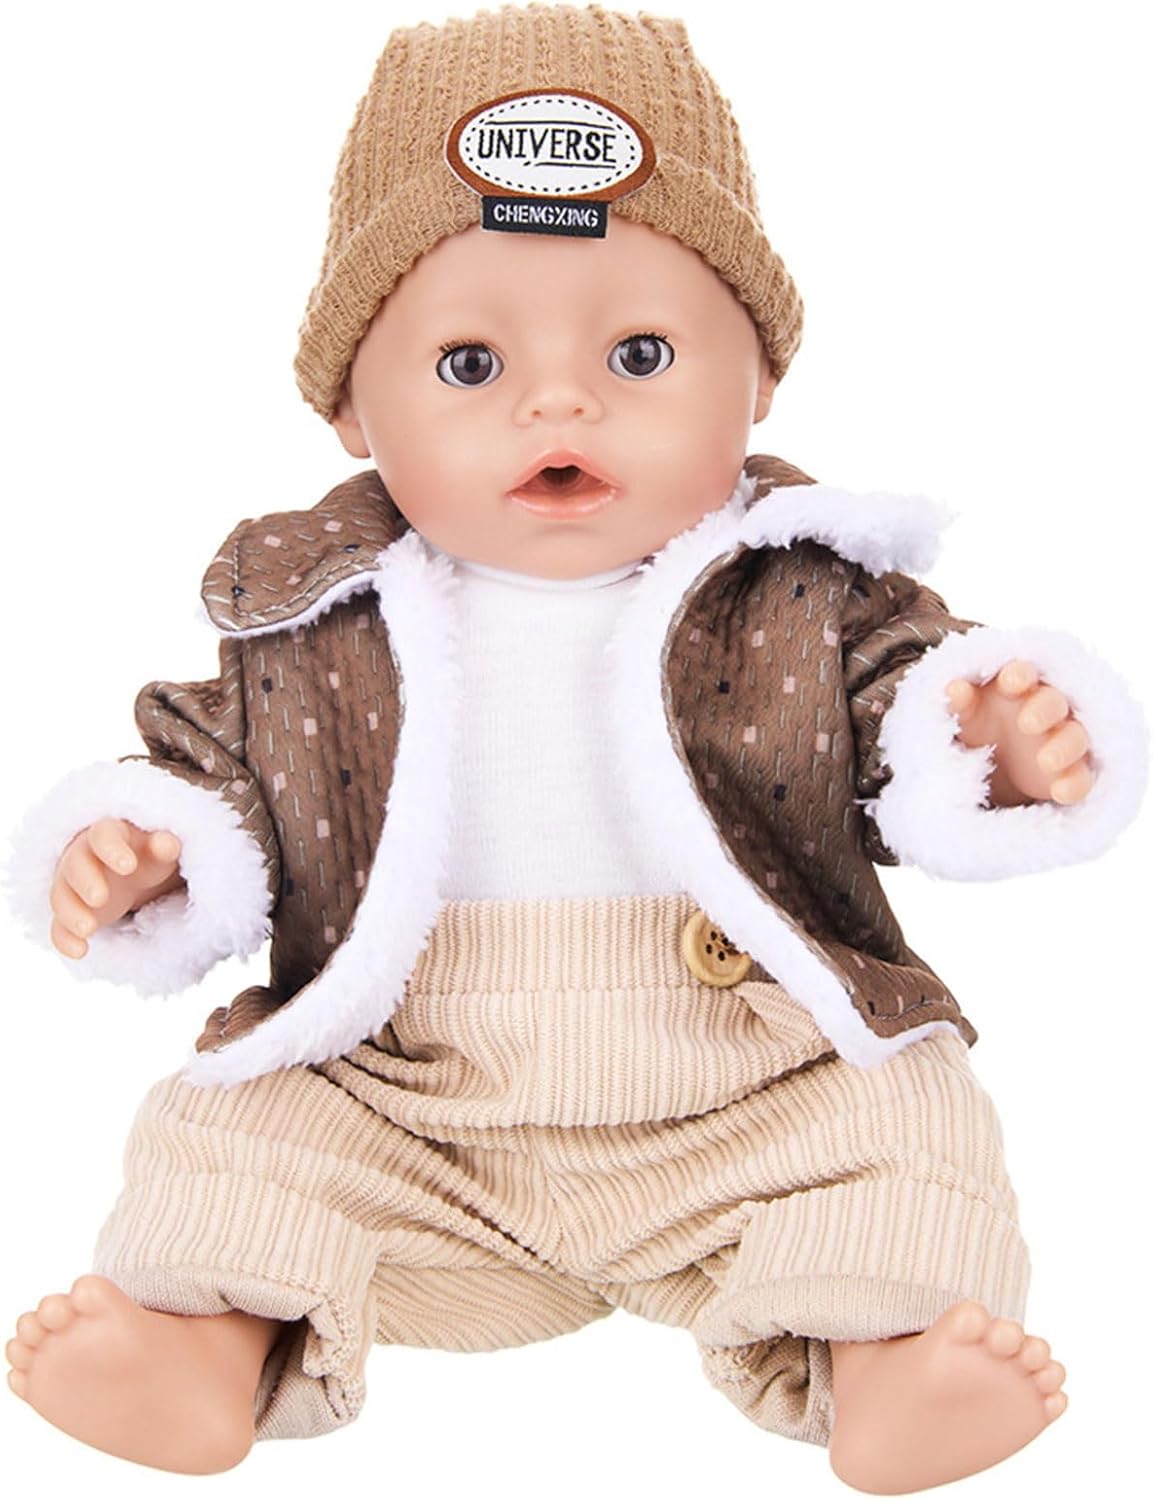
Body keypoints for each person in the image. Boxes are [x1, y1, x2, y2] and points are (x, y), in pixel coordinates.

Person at [3, 5, 1146, 1492]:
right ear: (349, 405)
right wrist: (149, 857)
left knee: (906, 1127)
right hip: (405, 1090)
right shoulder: (309, 614)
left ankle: (884, 1363)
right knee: (234, 1133)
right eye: (470, 361)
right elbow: (210, 784)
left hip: (753, 1081)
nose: (560, 398)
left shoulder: (804, 589)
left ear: (759, 382)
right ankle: (204, 1346)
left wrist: (982, 735)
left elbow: (904, 715)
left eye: (642, 351)